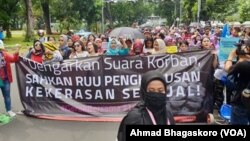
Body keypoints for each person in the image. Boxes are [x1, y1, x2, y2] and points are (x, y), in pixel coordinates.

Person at [117, 70, 175, 141]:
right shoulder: (134, 118)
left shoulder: (167, 113)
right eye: (151, 91)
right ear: (143, 92)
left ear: (166, 91)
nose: (156, 94)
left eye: (160, 91)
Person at [0, 40, 20, 117]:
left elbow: (14, 59)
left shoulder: (5, 55)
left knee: (7, 96)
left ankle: (9, 110)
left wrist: (17, 52)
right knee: (7, 96)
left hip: (5, 80)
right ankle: (9, 110)